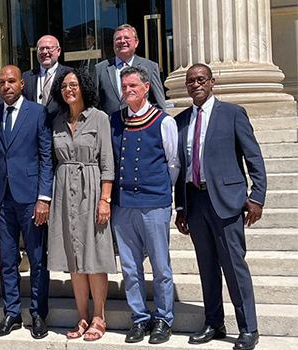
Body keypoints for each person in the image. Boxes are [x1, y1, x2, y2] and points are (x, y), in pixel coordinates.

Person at [174, 63, 266, 350]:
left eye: (201, 79)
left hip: (226, 202)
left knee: (234, 267)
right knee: (207, 267)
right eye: (190, 81)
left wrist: (257, 196)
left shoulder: (232, 113)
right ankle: (214, 322)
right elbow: (179, 168)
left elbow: (254, 158)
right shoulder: (180, 121)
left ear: (212, 82)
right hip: (195, 201)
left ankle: (248, 328)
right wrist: (180, 208)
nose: (195, 84)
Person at [109, 66, 179, 344]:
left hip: (154, 204)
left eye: (132, 86)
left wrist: (158, 191)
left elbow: (173, 164)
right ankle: (139, 317)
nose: (127, 91)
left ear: (146, 87)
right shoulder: (115, 120)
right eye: (124, 86)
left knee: (160, 266)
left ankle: (164, 318)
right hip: (123, 205)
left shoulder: (164, 121)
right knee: (129, 266)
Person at [0, 65, 53, 339]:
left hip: (30, 198)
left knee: (36, 259)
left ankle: (37, 313)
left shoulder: (37, 112)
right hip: (2, 199)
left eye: (11, 81)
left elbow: (45, 157)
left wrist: (43, 197)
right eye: (2, 83)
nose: (6, 86)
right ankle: (11, 312)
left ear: (22, 84)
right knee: (7, 260)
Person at [47, 68, 116, 341]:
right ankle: (82, 316)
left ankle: (99, 316)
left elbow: (107, 163)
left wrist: (104, 199)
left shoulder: (100, 119)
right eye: (64, 86)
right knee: (73, 258)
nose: (68, 89)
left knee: (95, 257)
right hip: (64, 191)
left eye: (73, 84)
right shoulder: (57, 121)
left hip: (92, 189)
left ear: (83, 87)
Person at [94, 24, 166, 115]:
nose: (122, 41)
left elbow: (159, 105)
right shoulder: (100, 69)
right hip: (110, 127)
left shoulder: (150, 67)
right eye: (118, 39)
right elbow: (94, 104)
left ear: (136, 42)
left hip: (140, 125)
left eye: (127, 38)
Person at [22, 35, 72, 121]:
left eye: (49, 48)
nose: (45, 52)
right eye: (41, 48)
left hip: (61, 129)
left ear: (58, 51)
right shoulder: (26, 77)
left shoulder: (69, 74)